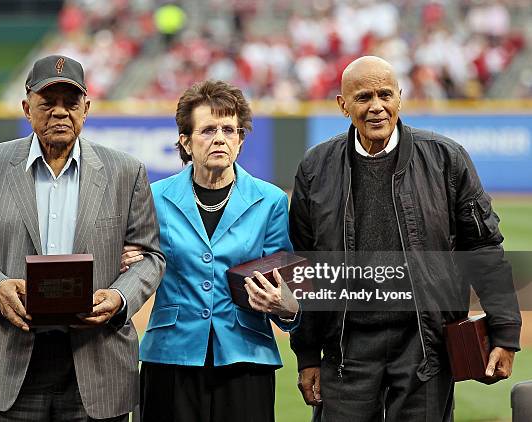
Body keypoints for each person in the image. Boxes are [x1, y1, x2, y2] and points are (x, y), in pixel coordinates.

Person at [289, 56, 521, 421]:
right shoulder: (316, 166)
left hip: (424, 345)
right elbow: (306, 267)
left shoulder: (447, 158)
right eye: (364, 97)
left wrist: (505, 332)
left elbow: (483, 248)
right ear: (342, 104)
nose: (377, 107)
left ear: (400, 97)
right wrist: (307, 354)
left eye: (385, 94)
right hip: (346, 348)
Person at [0, 55, 165, 421]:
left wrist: (121, 296)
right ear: (27, 107)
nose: (60, 112)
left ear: (87, 108)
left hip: (98, 361)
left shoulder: (126, 172)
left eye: (71, 102)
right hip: (9, 358)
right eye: (48, 102)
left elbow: (151, 257)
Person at [122, 80, 300, 422]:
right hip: (170, 356)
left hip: (246, 356)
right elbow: (135, 263)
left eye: (229, 129)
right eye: (207, 130)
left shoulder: (271, 201)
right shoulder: (153, 197)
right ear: (185, 142)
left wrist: (286, 306)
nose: (219, 137)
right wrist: (130, 262)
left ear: (240, 140)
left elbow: (285, 286)